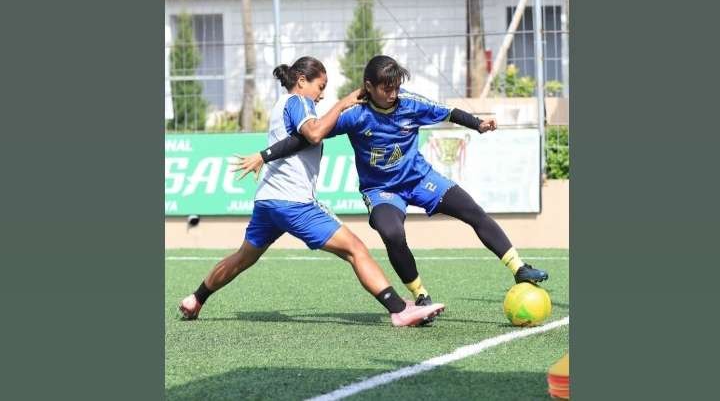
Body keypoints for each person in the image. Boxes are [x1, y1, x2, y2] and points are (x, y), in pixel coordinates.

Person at [236, 55, 548, 312]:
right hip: (381, 191)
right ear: (368, 87)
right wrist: (265, 156)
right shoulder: (354, 116)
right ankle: (420, 294)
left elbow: (448, 112)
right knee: (392, 233)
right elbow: (305, 138)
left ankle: (519, 267)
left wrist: (478, 124)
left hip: (420, 179)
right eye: (386, 89)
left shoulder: (411, 104)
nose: (393, 94)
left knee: (472, 211)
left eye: (396, 88)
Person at [178, 56, 445, 327]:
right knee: (355, 249)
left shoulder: (280, 105)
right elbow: (314, 133)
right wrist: (342, 104)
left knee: (243, 257)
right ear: (302, 81)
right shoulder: (298, 101)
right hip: (295, 202)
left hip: (268, 200)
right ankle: (399, 310)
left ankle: (196, 298)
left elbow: (297, 140)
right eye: (320, 86)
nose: (322, 94)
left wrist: (263, 155)